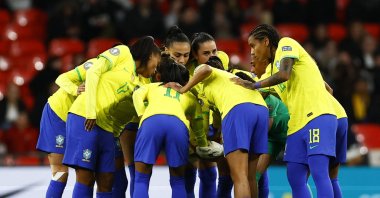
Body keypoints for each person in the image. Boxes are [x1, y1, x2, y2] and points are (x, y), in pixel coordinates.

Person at [232, 24, 337, 198]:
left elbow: (284, 75)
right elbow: (256, 90)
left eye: (253, 45)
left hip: (317, 116)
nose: (252, 51)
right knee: (295, 176)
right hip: (295, 126)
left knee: (319, 173)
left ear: (266, 41)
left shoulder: (286, 44)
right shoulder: (270, 73)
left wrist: (255, 85)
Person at [63, 36, 161, 197]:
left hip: (107, 129)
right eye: (156, 65)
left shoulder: (140, 82)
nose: (155, 70)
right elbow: (94, 71)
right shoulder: (123, 53)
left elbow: (124, 113)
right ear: (149, 56)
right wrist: (91, 112)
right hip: (84, 117)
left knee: (107, 179)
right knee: (86, 177)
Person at [166, 53, 268, 197]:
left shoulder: (208, 73)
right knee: (251, 176)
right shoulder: (224, 84)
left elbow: (205, 70)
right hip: (261, 110)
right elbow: (217, 121)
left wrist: (184, 89)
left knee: (239, 176)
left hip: (238, 109)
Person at [132, 55, 222, 198]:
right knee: (178, 180)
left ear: (160, 77)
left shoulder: (152, 86)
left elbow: (136, 95)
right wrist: (203, 145)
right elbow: (198, 123)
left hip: (151, 122)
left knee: (141, 179)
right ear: (186, 81)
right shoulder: (190, 96)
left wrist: (142, 115)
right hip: (178, 125)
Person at [36, 59, 93, 197]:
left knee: (87, 174)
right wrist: (76, 89)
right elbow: (62, 78)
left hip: (79, 122)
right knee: (60, 172)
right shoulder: (93, 66)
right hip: (58, 116)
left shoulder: (118, 79)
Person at [185, 32, 230, 198]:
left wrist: (217, 130)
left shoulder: (221, 60)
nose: (212, 56)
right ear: (195, 56)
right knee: (187, 178)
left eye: (214, 51)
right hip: (192, 130)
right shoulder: (185, 72)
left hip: (214, 128)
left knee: (210, 175)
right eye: (206, 53)